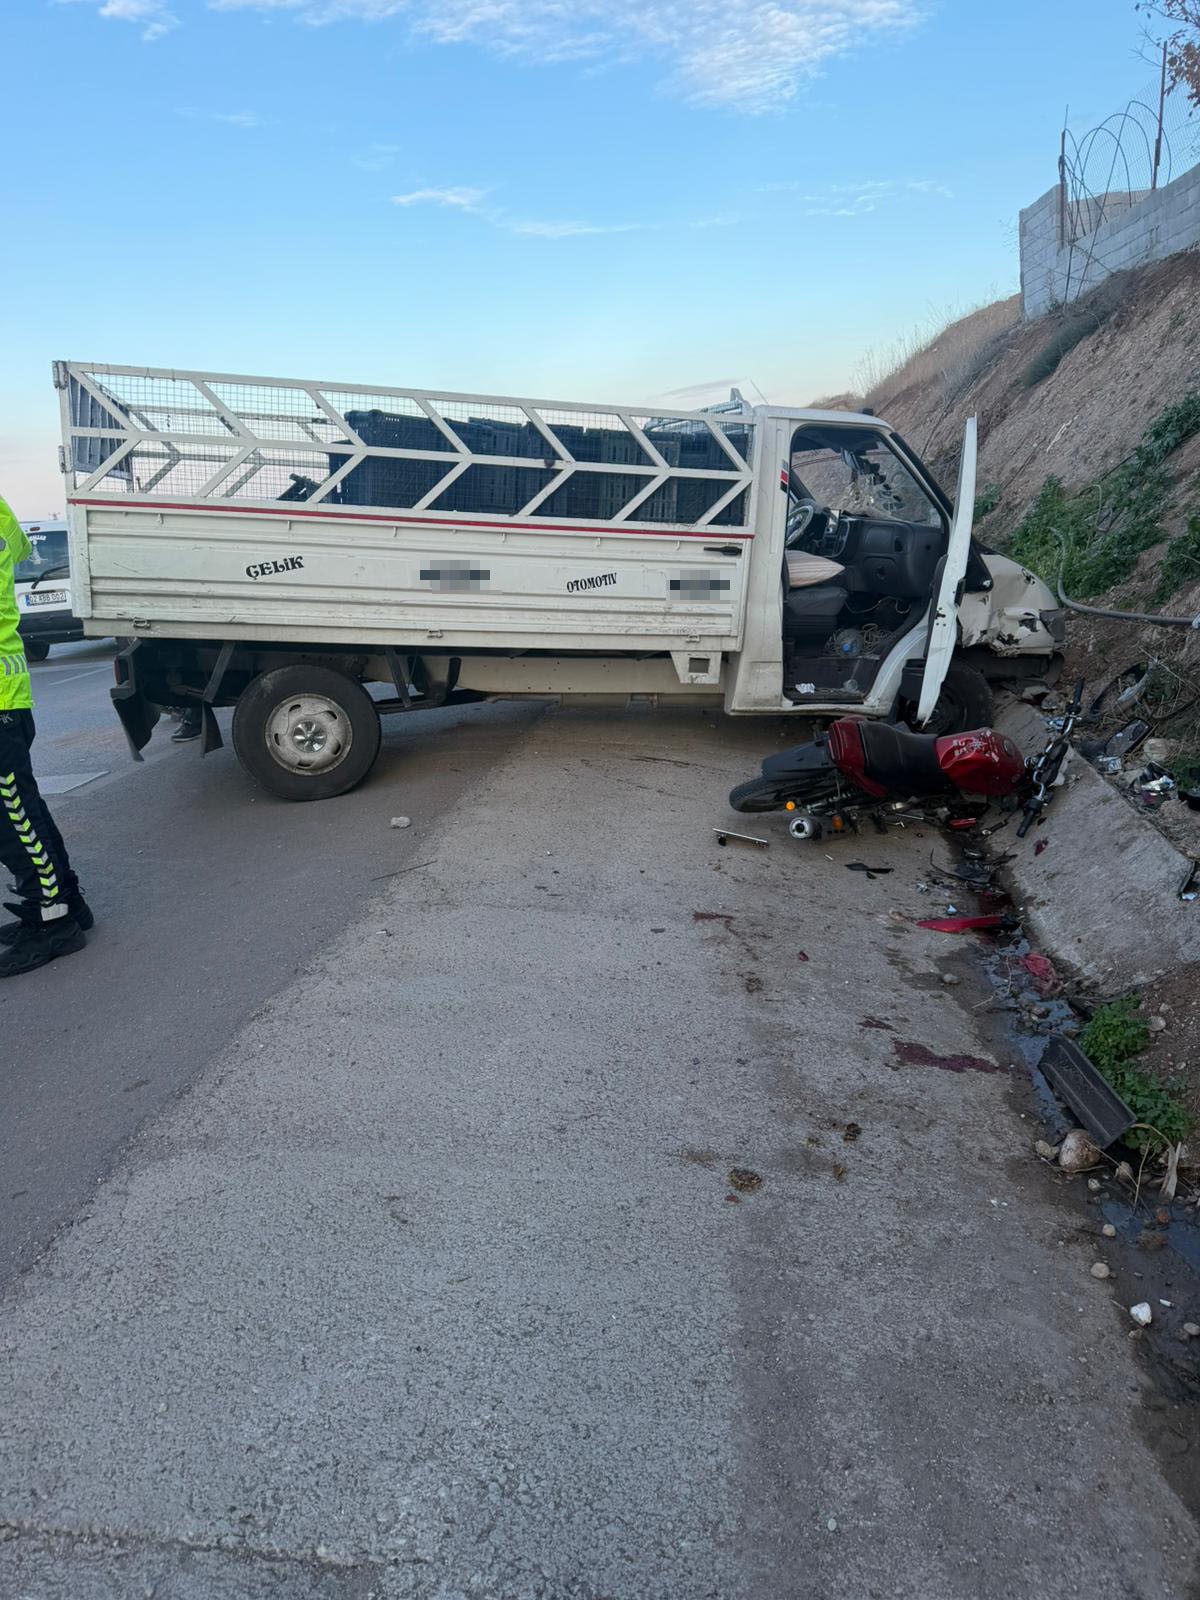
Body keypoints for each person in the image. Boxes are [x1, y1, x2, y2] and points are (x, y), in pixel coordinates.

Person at [0, 492, 91, 976]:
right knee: (22, 810)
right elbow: (17, 549)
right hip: (8, 694)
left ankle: (52, 921)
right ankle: (66, 902)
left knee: (13, 818)